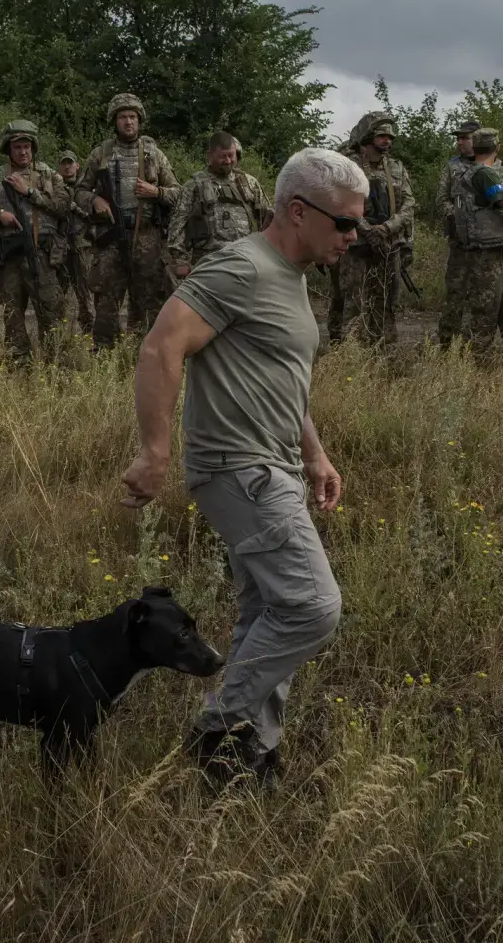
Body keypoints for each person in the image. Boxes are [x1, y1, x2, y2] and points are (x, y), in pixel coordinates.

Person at [120, 146, 361, 784]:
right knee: (312, 606)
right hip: (239, 467)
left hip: (275, 463)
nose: (353, 235)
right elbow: (161, 346)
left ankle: (247, 755)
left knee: (268, 611)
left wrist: (313, 451)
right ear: (299, 211)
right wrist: (155, 452)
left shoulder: (293, 275)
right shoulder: (241, 267)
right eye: (344, 222)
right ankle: (217, 727)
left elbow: (279, 375)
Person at [73, 93, 179, 349]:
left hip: (147, 237)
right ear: (115, 121)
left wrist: (156, 192)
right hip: (110, 238)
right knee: (106, 300)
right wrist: (95, 201)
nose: (128, 122)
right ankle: (105, 356)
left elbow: (178, 192)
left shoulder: (154, 154)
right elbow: (78, 191)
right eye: (122, 117)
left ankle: (148, 354)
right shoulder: (101, 153)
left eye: (132, 117)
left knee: (150, 300)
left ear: (139, 120)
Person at [0, 120, 72, 363]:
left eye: (27, 146)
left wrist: (30, 192)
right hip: (10, 258)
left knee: (52, 314)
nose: (23, 151)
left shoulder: (49, 175)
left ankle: (56, 367)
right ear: (9, 149)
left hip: (43, 256)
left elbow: (62, 208)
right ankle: (20, 366)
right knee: (12, 314)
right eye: (17, 147)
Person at [334, 111, 413, 346]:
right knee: (352, 300)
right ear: (368, 137)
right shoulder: (350, 167)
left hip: (388, 245)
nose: (387, 141)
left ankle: (383, 351)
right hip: (356, 245)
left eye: (390, 137)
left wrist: (387, 229)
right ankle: (348, 351)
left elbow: (409, 204)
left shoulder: (397, 168)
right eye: (382, 136)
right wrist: (368, 230)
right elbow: (341, 203)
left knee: (386, 300)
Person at [451, 128, 503, 352]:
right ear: (497, 147)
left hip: (494, 252)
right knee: (484, 315)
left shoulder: (469, 172)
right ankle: (477, 366)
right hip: (487, 254)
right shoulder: (484, 174)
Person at [167, 131, 271, 279]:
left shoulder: (250, 183)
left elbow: (267, 218)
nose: (228, 161)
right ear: (210, 156)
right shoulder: (194, 186)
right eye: (222, 156)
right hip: (208, 263)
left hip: (247, 260)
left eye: (231, 155)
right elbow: (177, 224)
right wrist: (180, 260)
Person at [435, 119, 480, 347]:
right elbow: (441, 200)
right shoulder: (452, 166)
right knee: (455, 294)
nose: (460, 142)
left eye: (465, 138)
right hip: (460, 243)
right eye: (459, 138)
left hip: (484, 243)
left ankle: (474, 344)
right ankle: (446, 343)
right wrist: (459, 215)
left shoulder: (490, 164)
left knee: (481, 297)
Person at [55, 148, 95, 334]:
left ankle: (89, 329)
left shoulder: (85, 188)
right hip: (60, 246)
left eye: (70, 163)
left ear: (77, 165)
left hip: (82, 244)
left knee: (84, 290)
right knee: (57, 290)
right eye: (64, 163)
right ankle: (57, 331)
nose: (67, 166)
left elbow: (93, 216)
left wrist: (75, 208)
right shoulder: (54, 188)